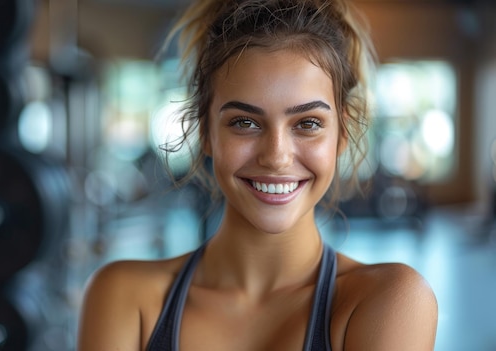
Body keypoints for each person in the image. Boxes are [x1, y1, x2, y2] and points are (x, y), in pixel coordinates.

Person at [77, 0, 438, 350]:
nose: (276, 156)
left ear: (342, 134)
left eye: (308, 123)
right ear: (205, 132)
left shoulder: (387, 301)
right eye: (245, 122)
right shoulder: (124, 297)